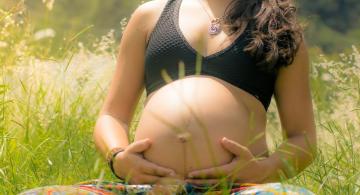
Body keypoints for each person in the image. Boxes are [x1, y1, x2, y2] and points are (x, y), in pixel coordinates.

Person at [91, 0, 317, 193]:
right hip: (148, 190)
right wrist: (119, 159)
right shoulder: (150, 15)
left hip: (241, 190)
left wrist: (262, 171)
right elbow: (112, 115)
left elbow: (302, 139)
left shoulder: (279, 27)